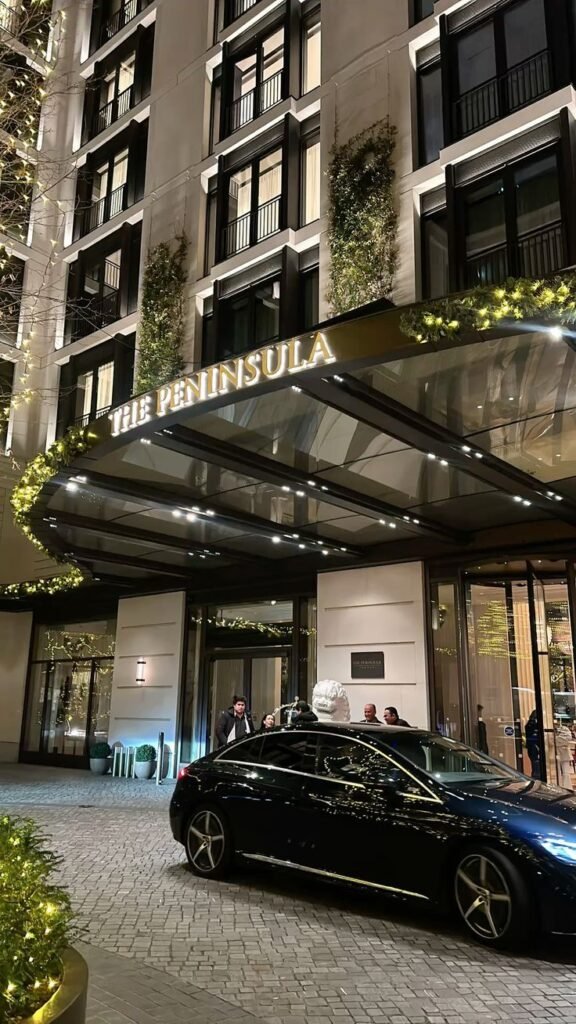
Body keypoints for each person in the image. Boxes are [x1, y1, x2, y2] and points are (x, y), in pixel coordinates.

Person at [555, 719, 574, 790]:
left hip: (562, 754)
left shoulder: (562, 732)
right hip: (560, 754)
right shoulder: (558, 734)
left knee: (565, 772)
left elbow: (566, 739)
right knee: (561, 772)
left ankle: (566, 787)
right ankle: (564, 787)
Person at [525, 709, 541, 779]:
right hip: (534, 746)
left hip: (531, 746)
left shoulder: (528, 724)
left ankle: (535, 775)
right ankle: (536, 776)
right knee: (536, 763)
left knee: (534, 763)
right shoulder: (534, 725)